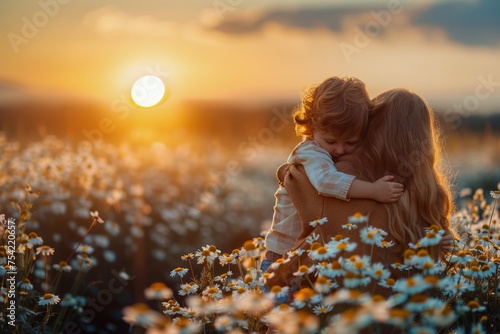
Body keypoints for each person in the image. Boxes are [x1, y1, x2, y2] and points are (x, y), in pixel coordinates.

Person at [265, 88, 455, 294]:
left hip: (336, 298)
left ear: (373, 127)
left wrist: (289, 172)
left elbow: (316, 236)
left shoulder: (348, 174)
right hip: (398, 305)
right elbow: (428, 255)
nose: (339, 149)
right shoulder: (428, 193)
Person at [262, 77, 405, 273]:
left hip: (301, 256)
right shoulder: (311, 152)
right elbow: (325, 182)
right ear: (311, 129)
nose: (339, 149)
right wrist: (373, 190)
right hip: (280, 256)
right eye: (331, 141)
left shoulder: (325, 145)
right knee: (276, 304)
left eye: (350, 143)